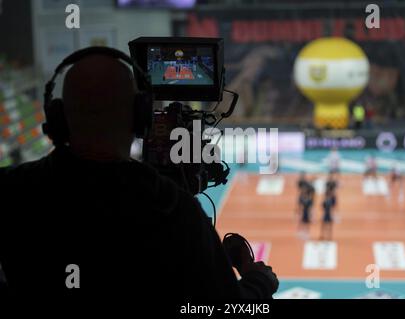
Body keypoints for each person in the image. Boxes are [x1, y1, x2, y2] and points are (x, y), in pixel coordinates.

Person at [0, 51, 278, 300]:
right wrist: (259, 280)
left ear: (57, 117)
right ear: (140, 117)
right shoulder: (173, 208)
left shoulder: (10, 189)